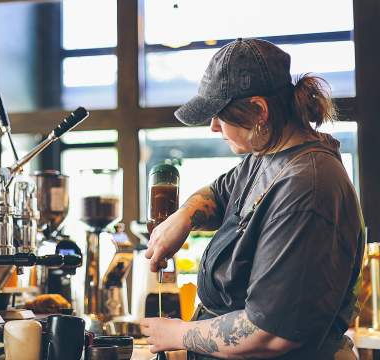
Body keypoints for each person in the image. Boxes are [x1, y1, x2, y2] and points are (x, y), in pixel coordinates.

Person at [140, 38, 364, 359]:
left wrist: (178, 334)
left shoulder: (307, 186)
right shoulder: (267, 156)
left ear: (259, 110)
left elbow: (270, 333)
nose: (213, 127)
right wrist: (183, 217)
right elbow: (217, 194)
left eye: (220, 115)